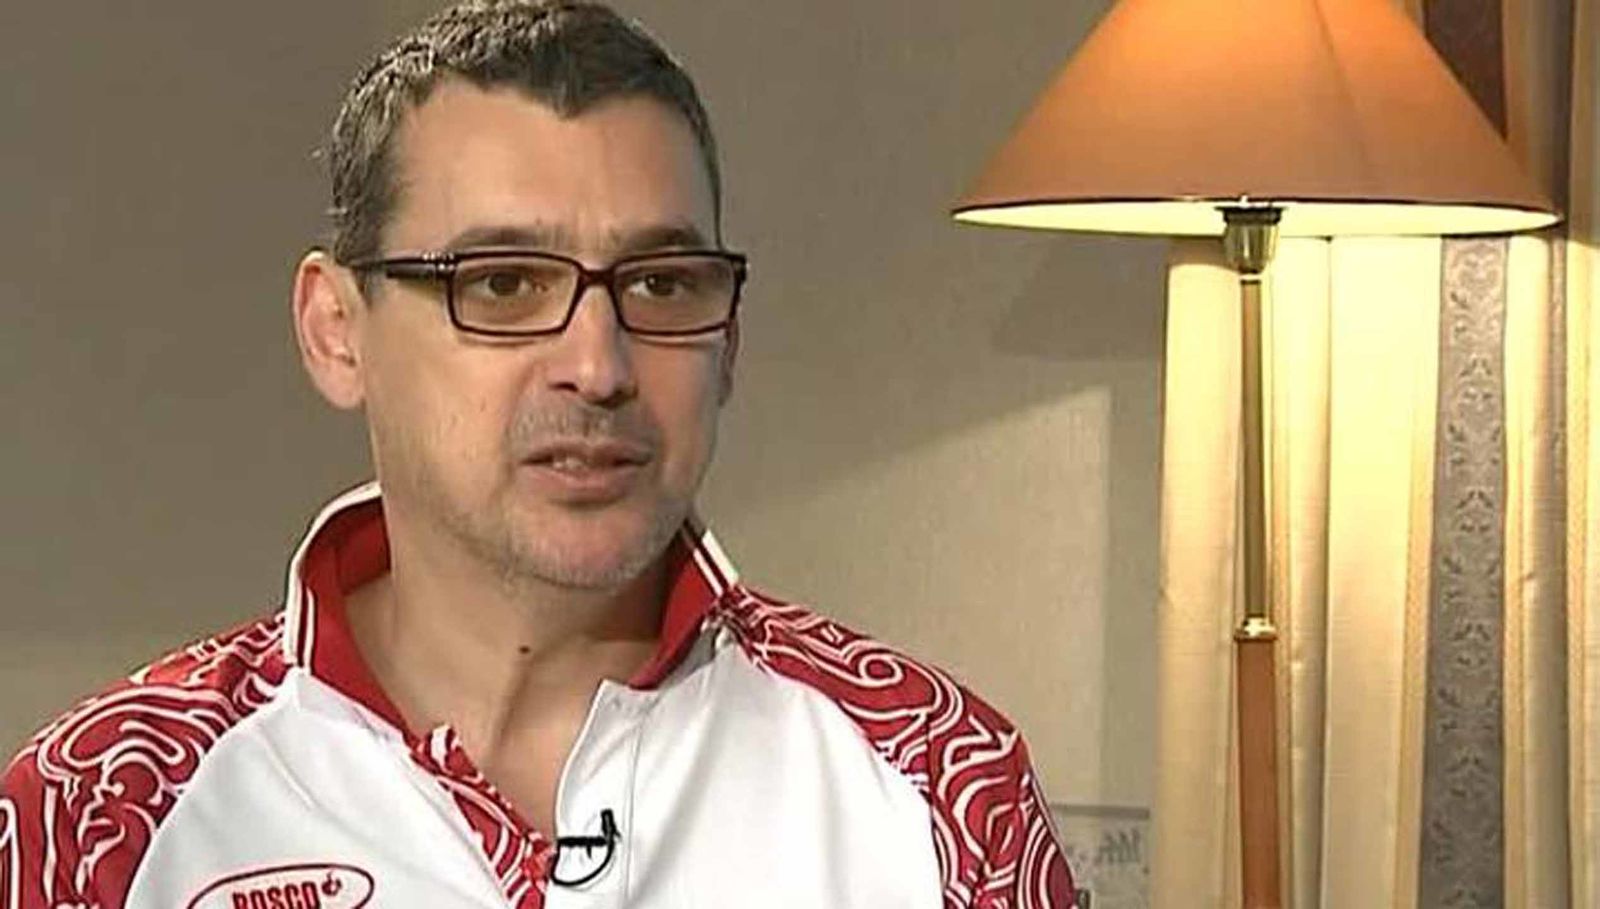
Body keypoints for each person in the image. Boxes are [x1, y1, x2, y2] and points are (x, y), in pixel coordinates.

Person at [0, 2, 1076, 906]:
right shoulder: (103, 816)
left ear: (731, 338)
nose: (598, 367)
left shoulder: (939, 785)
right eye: (504, 284)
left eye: (662, 285)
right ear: (337, 331)